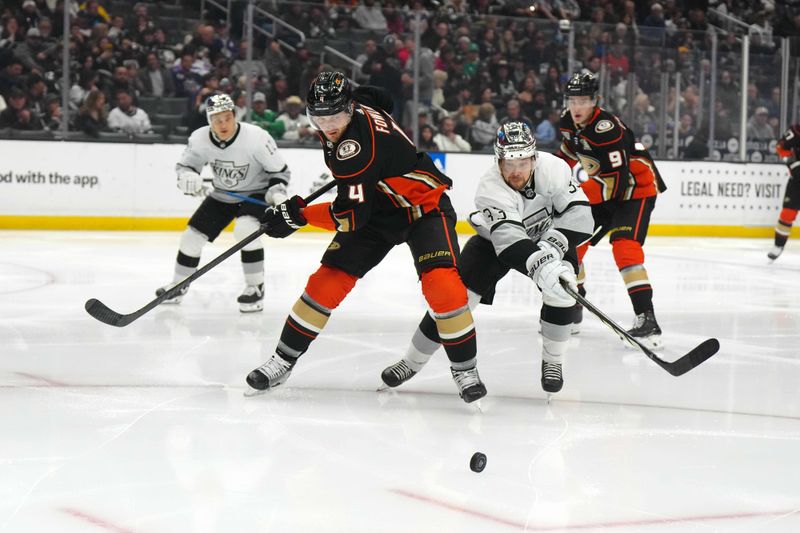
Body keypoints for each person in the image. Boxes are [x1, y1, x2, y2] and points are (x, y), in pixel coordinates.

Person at [245, 71, 486, 404]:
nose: (329, 125)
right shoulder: (360, 102)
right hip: (377, 208)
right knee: (325, 282)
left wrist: (297, 216)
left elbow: (349, 217)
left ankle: (465, 369)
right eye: (320, 117)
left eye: (336, 116)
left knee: (442, 286)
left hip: (422, 207)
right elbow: (383, 98)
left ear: (349, 107)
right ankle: (283, 360)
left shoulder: (353, 151)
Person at [380, 122, 593, 395]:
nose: (516, 171)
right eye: (508, 163)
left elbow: (581, 216)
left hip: (549, 236)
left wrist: (552, 247)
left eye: (522, 161)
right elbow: (510, 242)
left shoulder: (554, 169)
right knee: (456, 300)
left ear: (534, 158)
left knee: (562, 292)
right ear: (498, 161)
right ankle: (411, 361)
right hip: (495, 244)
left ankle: (553, 362)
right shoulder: (489, 188)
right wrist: (541, 264)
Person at [556, 72, 667, 347]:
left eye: (583, 100)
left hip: (636, 189)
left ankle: (647, 318)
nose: (577, 106)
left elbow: (618, 180)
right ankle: (574, 305)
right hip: (608, 186)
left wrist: (583, 201)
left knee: (624, 246)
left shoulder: (606, 128)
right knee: (571, 243)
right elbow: (567, 156)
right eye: (573, 100)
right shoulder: (567, 122)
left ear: (595, 101)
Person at [157, 93, 291, 313]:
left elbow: (280, 172)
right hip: (222, 194)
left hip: (256, 193)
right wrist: (187, 177)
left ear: (235, 115)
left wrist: (277, 193)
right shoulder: (199, 139)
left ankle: (255, 287)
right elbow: (185, 167)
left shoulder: (257, 138)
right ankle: (178, 285)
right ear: (209, 120)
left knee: (246, 230)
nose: (223, 124)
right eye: (217, 119)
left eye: (227, 118)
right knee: (191, 237)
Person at [768, 124, 800, 261]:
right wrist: (792, 164)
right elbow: (781, 146)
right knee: (788, 213)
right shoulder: (796, 131)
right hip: (797, 181)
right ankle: (778, 245)